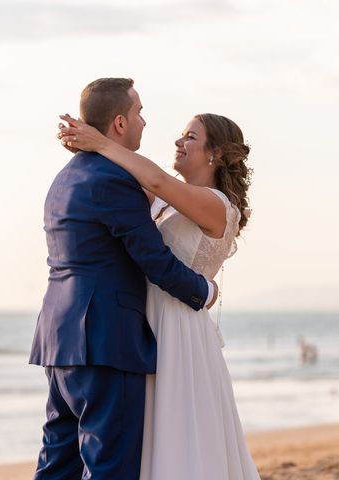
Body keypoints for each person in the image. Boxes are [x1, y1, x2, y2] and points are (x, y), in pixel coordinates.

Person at [58, 97, 260, 478]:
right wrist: (85, 142)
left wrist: (102, 142)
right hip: (145, 321)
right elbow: (134, 185)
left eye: (190, 137)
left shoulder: (216, 204)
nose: (178, 142)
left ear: (214, 153)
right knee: (142, 437)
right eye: (181, 134)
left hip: (178, 328)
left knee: (177, 438)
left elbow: (155, 179)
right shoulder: (165, 202)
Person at [29, 77, 219, 480]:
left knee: (57, 463)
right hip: (104, 339)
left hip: (57, 338)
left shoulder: (65, 177)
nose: (145, 122)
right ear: (118, 123)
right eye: (138, 113)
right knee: (110, 468)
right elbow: (152, 257)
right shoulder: (114, 180)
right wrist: (203, 291)